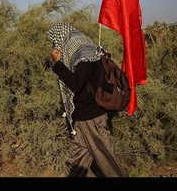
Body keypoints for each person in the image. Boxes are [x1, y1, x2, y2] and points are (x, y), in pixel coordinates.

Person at [47, 22, 126, 177]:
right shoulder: (91, 50)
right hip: (86, 116)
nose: (58, 48)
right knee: (76, 160)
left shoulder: (83, 58)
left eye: (57, 43)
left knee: (106, 159)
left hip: (92, 118)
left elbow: (76, 84)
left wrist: (57, 64)